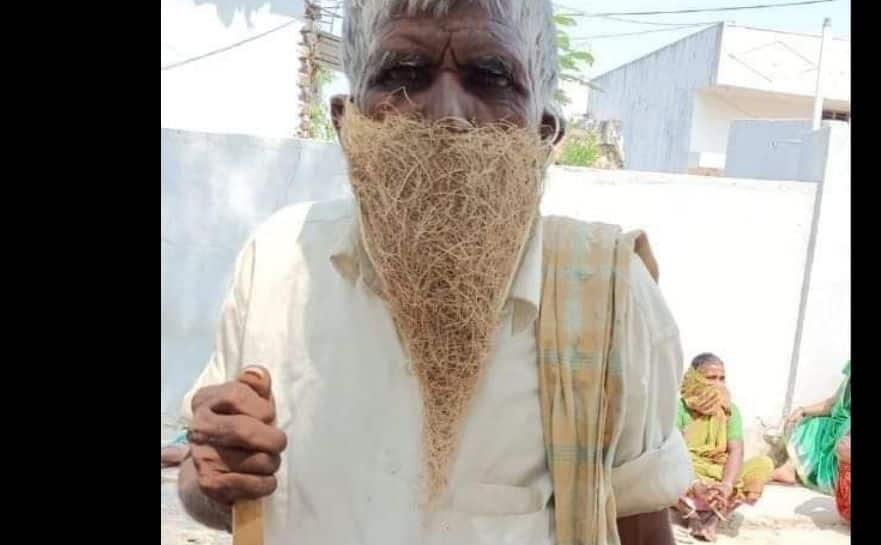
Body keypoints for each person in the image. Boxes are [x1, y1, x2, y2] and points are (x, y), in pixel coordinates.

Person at [174, 2, 693, 544]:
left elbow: (639, 531)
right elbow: (205, 476)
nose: (447, 113)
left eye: (491, 76)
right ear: (345, 120)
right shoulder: (278, 261)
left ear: (544, 133)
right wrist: (212, 477)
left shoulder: (608, 296)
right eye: (402, 73)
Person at [673, 353, 774, 542]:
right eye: (711, 378)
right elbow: (673, 451)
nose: (719, 384)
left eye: (722, 378)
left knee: (763, 464)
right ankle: (692, 517)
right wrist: (694, 483)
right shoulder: (679, 408)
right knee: (659, 468)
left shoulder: (730, 410)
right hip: (687, 472)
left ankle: (713, 519)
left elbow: (736, 449)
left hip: (719, 475)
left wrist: (727, 485)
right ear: (695, 378)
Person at [771, 360, 851, 506]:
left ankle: (840, 483)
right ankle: (789, 470)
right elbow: (833, 403)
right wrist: (803, 410)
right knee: (812, 423)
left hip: (847, 432)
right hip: (839, 422)